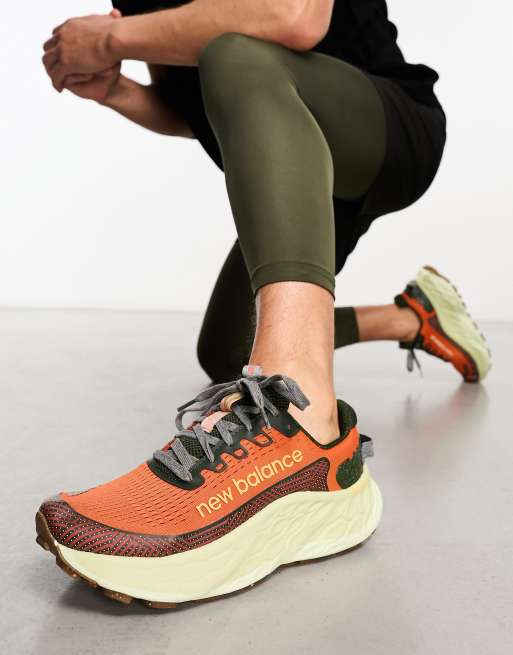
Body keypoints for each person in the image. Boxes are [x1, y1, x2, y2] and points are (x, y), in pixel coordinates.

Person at [37, 1, 490, 607]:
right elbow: (198, 106)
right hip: (298, 158)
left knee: (235, 50)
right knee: (226, 351)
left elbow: (291, 18)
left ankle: (302, 423)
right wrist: (117, 89)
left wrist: (110, 39)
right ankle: (414, 316)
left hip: (383, 127)